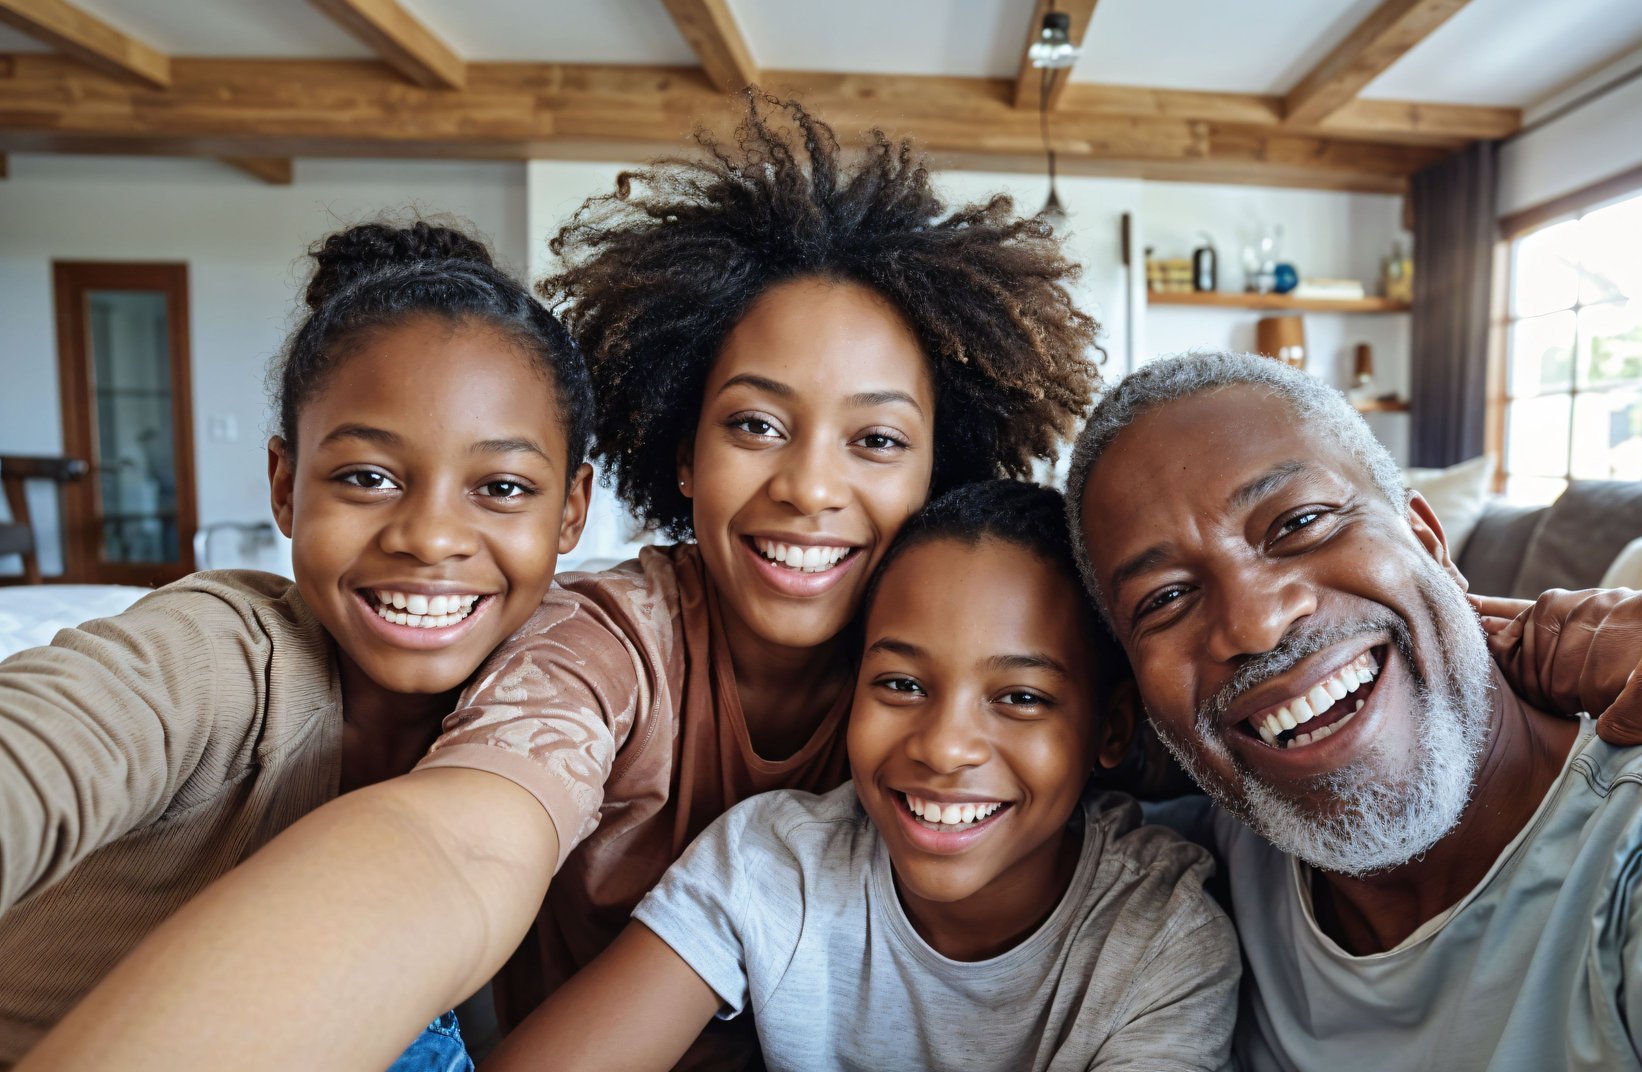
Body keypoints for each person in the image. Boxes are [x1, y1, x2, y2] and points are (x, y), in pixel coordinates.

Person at [22, 94, 1104, 1070]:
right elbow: (462, 838)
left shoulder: (1004, 681)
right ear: (683, 452)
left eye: (876, 440)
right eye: (757, 425)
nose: (811, 485)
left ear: (939, 468)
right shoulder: (602, 639)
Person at [1064, 350, 1642, 1071]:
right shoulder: (1207, 863)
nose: (1254, 622)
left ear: (1430, 542)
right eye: (1166, 599)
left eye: (1302, 523)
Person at [0, 220, 596, 1071]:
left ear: (571, 509)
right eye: (367, 478)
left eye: (501, 487)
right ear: (284, 485)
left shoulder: (559, 679)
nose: (430, 538)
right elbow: (51, 736)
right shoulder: (220, 652)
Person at [484, 481, 1239, 1072]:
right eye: (902, 685)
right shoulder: (774, 865)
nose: (944, 748)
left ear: (1108, 729)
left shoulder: (1162, 936)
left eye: (1021, 699)